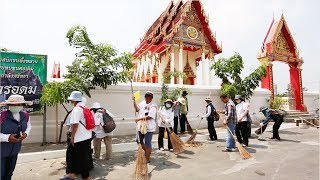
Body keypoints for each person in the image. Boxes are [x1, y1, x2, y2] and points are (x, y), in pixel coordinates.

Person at [61, 91, 92, 180]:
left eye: (72, 100)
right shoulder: (85, 108)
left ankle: (72, 174)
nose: (71, 102)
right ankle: (84, 176)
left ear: (74, 100)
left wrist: (72, 137)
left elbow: (75, 125)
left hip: (79, 138)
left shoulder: (76, 109)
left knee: (70, 154)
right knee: (83, 157)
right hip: (87, 136)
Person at [0, 95, 32, 180]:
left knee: (9, 172)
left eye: (19, 105)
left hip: (14, 151)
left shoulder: (25, 115)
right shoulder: (1, 116)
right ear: (9, 105)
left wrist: (26, 134)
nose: (16, 107)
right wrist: (7, 137)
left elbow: (29, 126)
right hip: (1, 152)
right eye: (13, 105)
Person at [133, 91, 157, 163]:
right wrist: (134, 101)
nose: (148, 98)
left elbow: (150, 116)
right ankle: (147, 152)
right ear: (145, 97)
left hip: (149, 127)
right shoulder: (142, 103)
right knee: (139, 141)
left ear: (152, 98)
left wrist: (138, 119)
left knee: (147, 142)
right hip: (141, 126)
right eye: (146, 96)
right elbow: (137, 109)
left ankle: (147, 157)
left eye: (149, 97)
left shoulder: (153, 105)